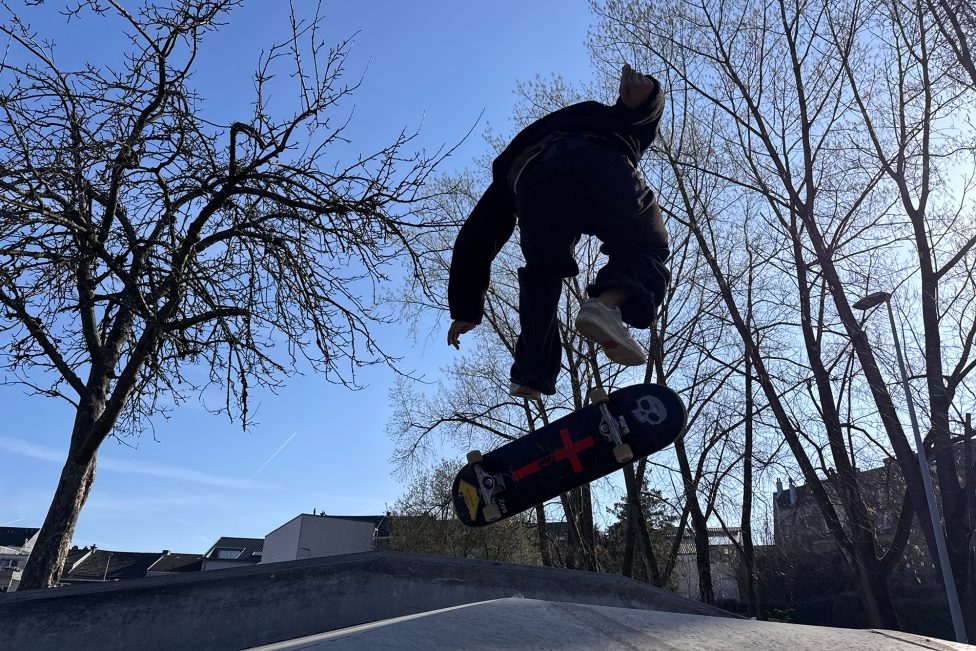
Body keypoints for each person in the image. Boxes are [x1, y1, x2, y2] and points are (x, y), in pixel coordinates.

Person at [447, 63, 671, 401]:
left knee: (543, 273)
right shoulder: (605, 119)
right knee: (646, 243)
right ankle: (606, 306)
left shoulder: (533, 146)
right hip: (597, 158)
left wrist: (465, 306)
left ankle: (531, 375)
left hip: (528, 181)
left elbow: (478, 234)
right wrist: (650, 93)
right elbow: (638, 119)